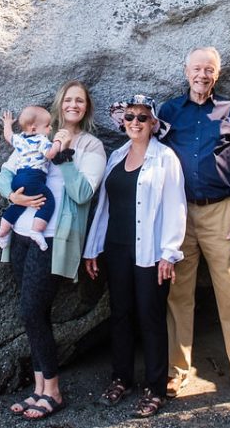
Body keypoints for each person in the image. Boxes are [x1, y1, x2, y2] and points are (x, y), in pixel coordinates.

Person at [158, 47, 230, 407]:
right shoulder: (169, 111)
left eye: (209, 69)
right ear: (185, 71)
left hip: (221, 212)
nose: (202, 75)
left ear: (216, 75)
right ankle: (177, 371)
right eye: (196, 68)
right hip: (179, 213)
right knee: (178, 293)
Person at [0, 81, 106, 421]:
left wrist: (65, 157)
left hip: (54, 240)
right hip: (22, 236)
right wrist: (12, 197)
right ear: (60, 104)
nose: (73, 105)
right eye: (68, 99)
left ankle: (53, 391)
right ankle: (39, 389)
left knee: (32, 311)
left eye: (80, 101)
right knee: (34, 313)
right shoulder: (39, 136)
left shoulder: (91, 146)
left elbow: (84, 193)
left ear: (86, 108)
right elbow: (6, 174)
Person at [84, 94, 186, 419]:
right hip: (115, 249)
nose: (135, 123)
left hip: (150, 252)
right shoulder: (116, 156)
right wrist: (92, 248)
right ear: (122, 121)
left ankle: (156, 389)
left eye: (143, 118)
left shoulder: (165, 158)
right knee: (120, 315)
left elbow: (175, 207)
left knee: (150, 317)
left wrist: (169, 253)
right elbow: (104, 208)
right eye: (130, 117)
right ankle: (121, 379)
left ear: (154, 124)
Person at [0, 105, 65, 252]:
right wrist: (58, 142)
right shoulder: (41, 140)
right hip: (34, 177)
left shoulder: (20, 139)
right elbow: (50, 154)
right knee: (48, 202)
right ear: (34, 129)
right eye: (47, 126)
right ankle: (36, 231)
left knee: (19, 204)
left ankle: (3, 231)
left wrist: (7, 124)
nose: (50, 129)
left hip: (18, 178)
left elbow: (8, 135)